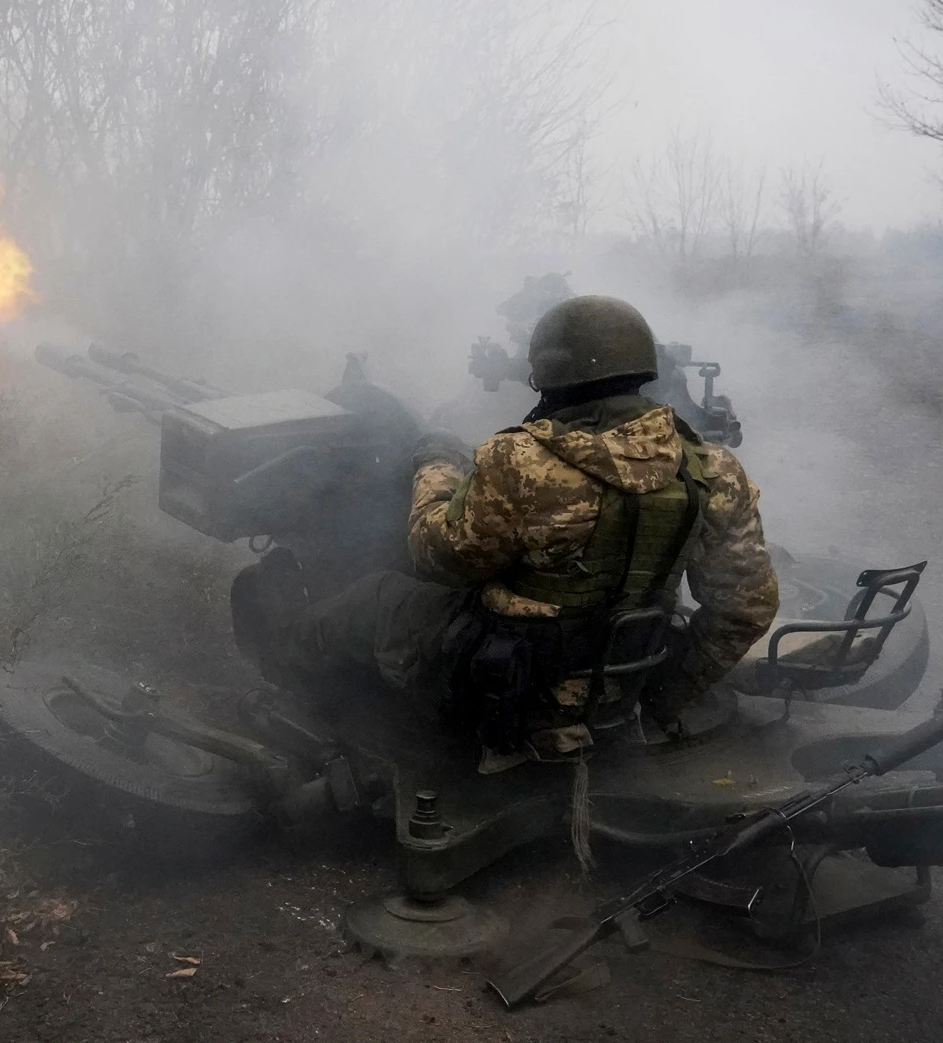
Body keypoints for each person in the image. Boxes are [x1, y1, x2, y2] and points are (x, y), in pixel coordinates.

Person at [268, 296, 780, 771]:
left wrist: (436, 466)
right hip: (624, 680)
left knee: (377, 596)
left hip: (505, 684)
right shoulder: (713, 469)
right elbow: (745, 609)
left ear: (548, 376)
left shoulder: (520, 460)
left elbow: (437, 556)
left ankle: (284, 677)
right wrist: (661, 692)